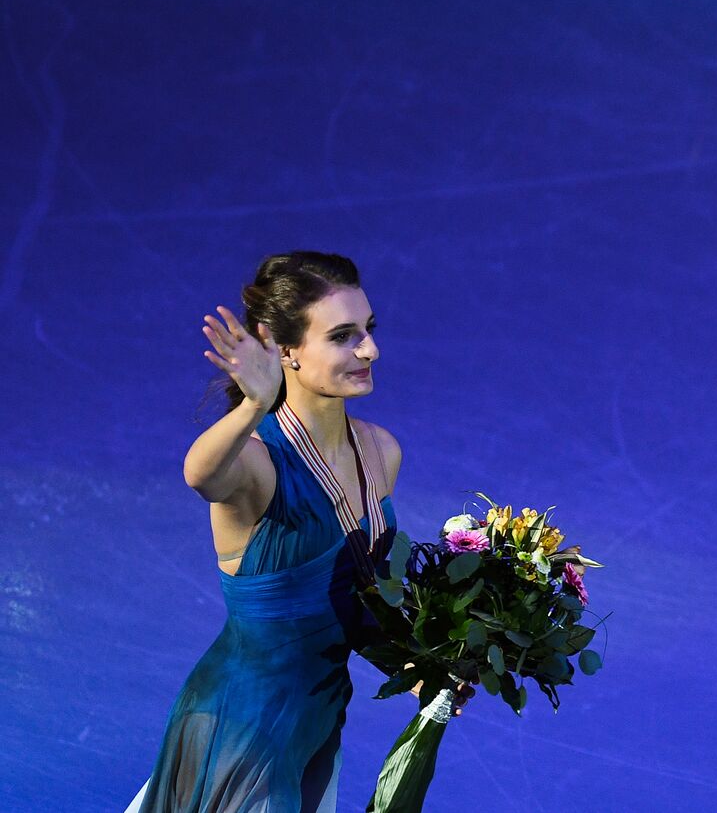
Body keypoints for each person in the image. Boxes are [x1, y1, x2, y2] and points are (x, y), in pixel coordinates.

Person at [124, 251, 466, 812]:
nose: (370, 349)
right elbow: (199, 475)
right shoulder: (257, 463)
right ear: (283, 348)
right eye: (342, 336)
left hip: (317, 721)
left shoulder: (380, 452)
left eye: (368, 330)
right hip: (242, 725)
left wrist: (423, 667)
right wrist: (254, 405)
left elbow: (357, 604)